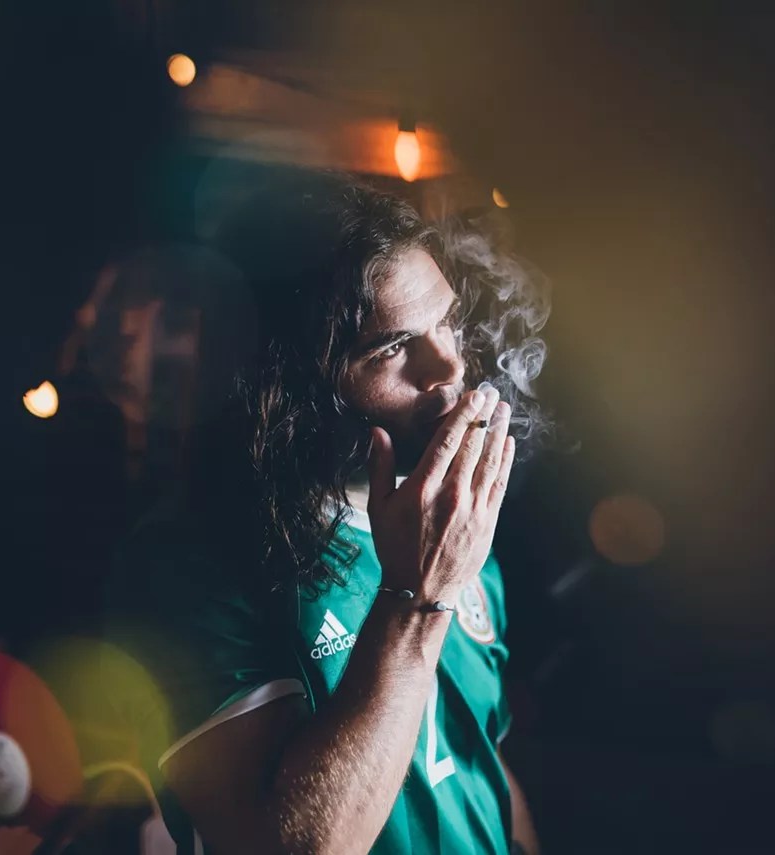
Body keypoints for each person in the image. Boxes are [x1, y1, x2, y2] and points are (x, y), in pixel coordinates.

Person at [104, 170, 543, 855]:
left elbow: (476, 762)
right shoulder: (183, 570)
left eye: (447, 323)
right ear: (290, 383)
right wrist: (416, 602)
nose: (448, 367)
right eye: (393, 347)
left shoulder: (449, 523)